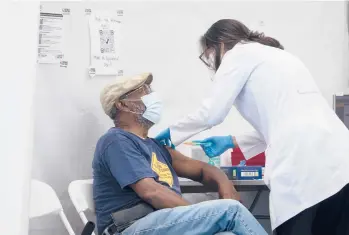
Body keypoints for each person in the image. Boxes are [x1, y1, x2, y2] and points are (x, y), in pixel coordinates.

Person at [155, 19, 349, 235]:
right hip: (340, 159)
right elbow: (283, 120)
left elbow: (211, 113)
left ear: (219, 44)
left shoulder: (237, 55)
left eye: (207, 55)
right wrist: (232, 141)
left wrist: (173, 133)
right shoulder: (276, 56)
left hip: (301, 162)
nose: (210, 63)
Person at [93, 72, 268, 235]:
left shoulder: (155, 146)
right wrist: (200, 215)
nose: (152, 95)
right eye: (144, 91)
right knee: (231, 211)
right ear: (122, 104)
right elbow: (151, 192)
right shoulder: (116, 141)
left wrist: (226, 186)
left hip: (160, 222)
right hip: (130, 226)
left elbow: (203, 170)